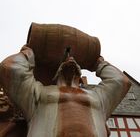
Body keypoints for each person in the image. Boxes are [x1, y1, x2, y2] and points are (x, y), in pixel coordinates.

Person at [0, 45, 131, 137]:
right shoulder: (39, 92)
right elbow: (11, 69)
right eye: (64, 62)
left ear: (80, 77)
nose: (71, 59)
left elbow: (121, 81)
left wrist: (98, 63)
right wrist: (29, 53)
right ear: (55, 75)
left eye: (75, 61)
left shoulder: (98, 96)